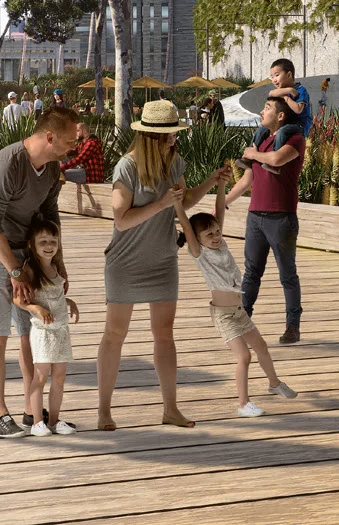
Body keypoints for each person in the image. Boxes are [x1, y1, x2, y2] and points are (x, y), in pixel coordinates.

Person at [95, 98, 226, 430]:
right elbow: (122, 220)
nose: (174, 139)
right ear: (152, 137)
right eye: (169, 135)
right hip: (125, 262)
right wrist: (162, 203)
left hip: (163, 260)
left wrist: (211, 181)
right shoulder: (126, 168)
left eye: (175, 133)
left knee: (164, 335)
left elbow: (185, 199)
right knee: (114, 334)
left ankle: (171, 408)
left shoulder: (175, 162)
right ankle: (104, 411)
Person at [0, 104, 82, 436]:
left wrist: (57, 262)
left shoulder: (51, 166)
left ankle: (32, 412)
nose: (74, 146)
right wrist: (16, 272)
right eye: (70, 141)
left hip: (24, 247)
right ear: (50, 137)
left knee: (30, 331)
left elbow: (50, 212)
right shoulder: (7, 165)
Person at [185, 209, 292, 416]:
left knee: (261, 346)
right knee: (244, 356)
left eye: (218, 231)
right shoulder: (200, 253)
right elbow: (186, 225)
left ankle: (274, 383)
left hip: (239, 311)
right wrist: (176, 204)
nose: (216, 236)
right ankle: (243, 404)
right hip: (224, 316)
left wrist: (222, 189)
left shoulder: (221, 245)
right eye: (209, 234)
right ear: (197, 239)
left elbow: (219, 212)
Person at [224, 92, 307, 343]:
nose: (262, 111)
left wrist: (253, 155)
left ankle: (292, 327)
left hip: (281, 217)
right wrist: (223, 203)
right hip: (255, 217)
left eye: (267, 107)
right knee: (251, 274)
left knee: (287, 275)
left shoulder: (295, 139)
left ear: (280, 116)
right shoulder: (260, 141)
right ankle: (242, 323)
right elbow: (247, 180)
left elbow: (276, 159)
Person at [17, 217, 78, 435]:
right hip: (43, 333)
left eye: (53, 241)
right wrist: (36, 309)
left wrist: (68, 302)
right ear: (32, 244)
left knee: (59, 378)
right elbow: (18, 299)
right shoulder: (31, 270)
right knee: (41, 377)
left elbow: (55, 296)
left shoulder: (55, 268)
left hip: (61, 331)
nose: (49, 246)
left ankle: (53, 420)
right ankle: (36, 422)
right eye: (43, 242)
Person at [264, 57, 311, 135]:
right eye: (272, 77)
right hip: (286, 124)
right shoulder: (283, 90)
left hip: (300, 125)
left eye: (277, 75)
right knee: (262, 130)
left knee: (282, 132)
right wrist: (289, 90)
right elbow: (271, 93)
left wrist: (286, 98)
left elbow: (298, 109)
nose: (274, 80)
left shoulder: (301, 90)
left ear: (289, 75)